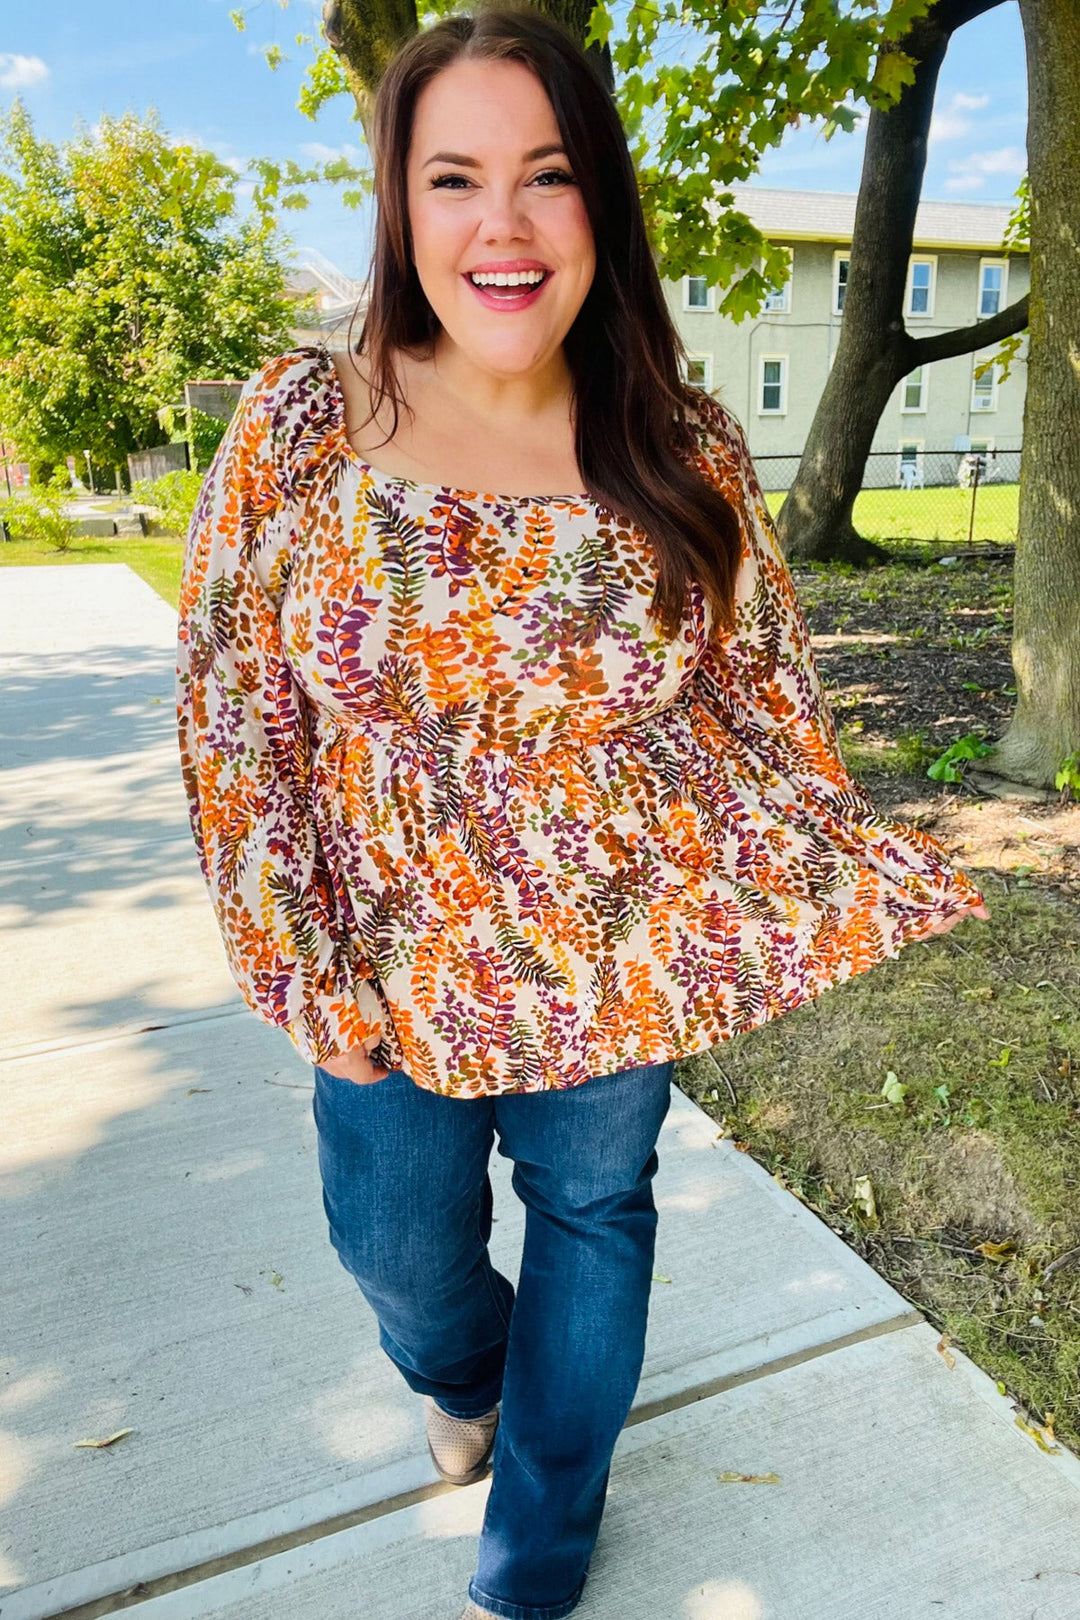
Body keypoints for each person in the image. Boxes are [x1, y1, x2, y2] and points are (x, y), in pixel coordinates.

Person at [175, 6, 990, 1616]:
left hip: (611, 949)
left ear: (598, 202)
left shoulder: (676, 441)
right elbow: (233, 713)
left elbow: (764, 695)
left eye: (547, 175)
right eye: (455, 177)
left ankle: (535, 1555)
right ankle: (465, 1379)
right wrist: (300, 973)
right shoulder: (302, 422)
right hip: (386, 963)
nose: (505, 224)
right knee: (394, 1247)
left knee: (596, 1215)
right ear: (402, 207)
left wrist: (804, 881)